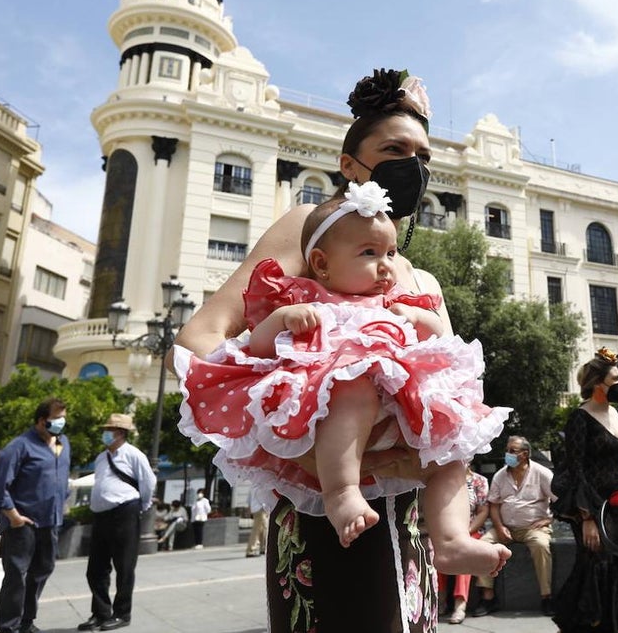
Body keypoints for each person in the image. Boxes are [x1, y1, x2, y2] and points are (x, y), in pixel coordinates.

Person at [173, 67, 497, 633]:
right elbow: (200, 338)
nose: (412, 166)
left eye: (423, 156)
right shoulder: (309, 227)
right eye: (394, 149)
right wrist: (294, 452)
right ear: (349, 165)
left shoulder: (422, 280)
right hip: (319, 514)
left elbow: (460, 401)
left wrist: (407, 462)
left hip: (409, 520)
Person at [177, 179, 510, 576]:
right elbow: (257, 351)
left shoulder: (398, 302)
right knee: (352, 386)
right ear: (321, 263)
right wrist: (281, 319)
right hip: (345, 412)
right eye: (369, 253)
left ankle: (452, 540)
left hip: (407, 414)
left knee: (450, 455)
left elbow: (445, 342)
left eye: (390, 251)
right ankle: (342, 492)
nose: (386, 264)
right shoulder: (309, 299)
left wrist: (422, 319)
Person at [550, 348, 618, 633]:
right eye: (615, 378)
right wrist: (586, 516)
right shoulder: (579, 418)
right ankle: (581, 624)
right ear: (598, 383)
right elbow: (576, 469)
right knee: (596, 562)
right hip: (589, 504)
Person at [0, 397, 71, 633]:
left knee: (42, 571)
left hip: (51, 521)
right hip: (22, 523)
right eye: (56, 418)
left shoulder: (63, 443)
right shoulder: (19, 446)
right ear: (40, 421)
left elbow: (62, 481)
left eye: (63, 417)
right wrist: (13, 516)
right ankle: (9, 627)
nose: (61, 422)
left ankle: (27, 622)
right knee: (16, 576)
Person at [77, 414, 156, 632]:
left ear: (120, 433)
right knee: (96, 568)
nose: (106, 433)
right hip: (101, 515)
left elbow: (148, 481)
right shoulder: (102, 457)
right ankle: (100, 613)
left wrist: (143, 504)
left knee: (124, 566)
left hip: (125, 511)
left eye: (110, 429)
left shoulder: (133, 454)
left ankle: (122, 613)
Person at [473, 436, 555, 618]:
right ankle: (487, 598)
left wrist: (549, 520)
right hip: (505, 526)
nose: (507, 454)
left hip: (533, 528)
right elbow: (493, 505)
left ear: (524, 454)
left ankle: (546, 597)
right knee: (484, 544)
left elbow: (560, 499)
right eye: (507, 450)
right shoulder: (500, 476)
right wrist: (500, 527)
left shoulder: (542, 473)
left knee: (541, 546)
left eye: (512, 451)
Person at [440, 464, 489, 624]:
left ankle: (460, 605)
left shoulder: (479, 481)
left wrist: (465, 532)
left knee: (464, 553)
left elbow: (482, 511)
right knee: (434, 553)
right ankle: (439, 601)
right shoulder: (442, 479)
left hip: (471, 529)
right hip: (446, 531)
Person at [245, 487, 267, 559]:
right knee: (257, 530)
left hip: (256, 509)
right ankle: (251, 550)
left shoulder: (252, 486)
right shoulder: (262, 485)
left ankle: (263, 548)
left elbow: (248, 500)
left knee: (263, 529)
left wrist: (250, 510)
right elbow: (265, 498)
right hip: (260, 509)